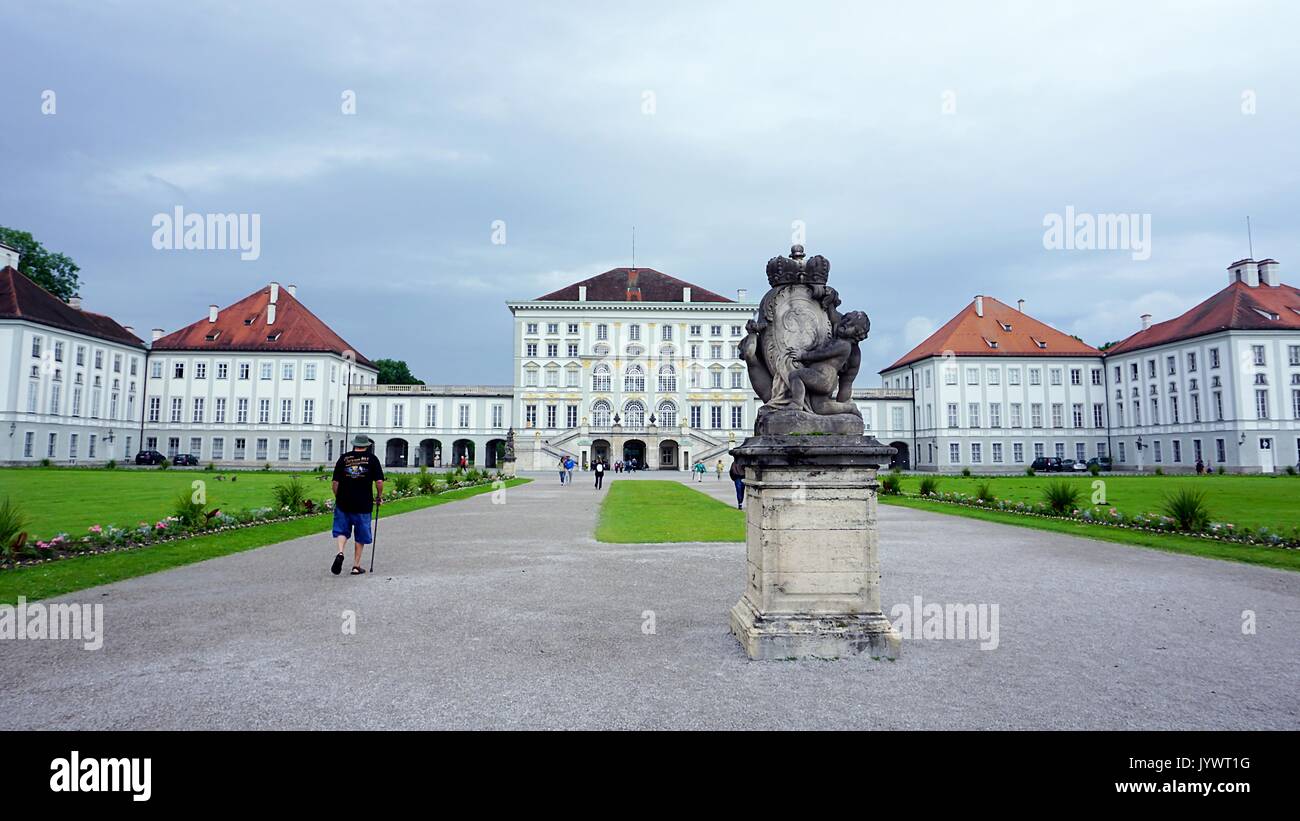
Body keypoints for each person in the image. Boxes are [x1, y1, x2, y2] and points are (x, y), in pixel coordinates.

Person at [330, 435, 384, 576]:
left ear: (354, 445)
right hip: (363, 502)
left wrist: (338, 497)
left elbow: (335, 483)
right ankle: (356, 566)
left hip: (343, 501)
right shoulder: (372, 459)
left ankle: (340, 552)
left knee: (342, 530)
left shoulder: (344, 458)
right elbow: (379, 481)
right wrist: (379, 496)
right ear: (366, 445)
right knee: (360, 534)